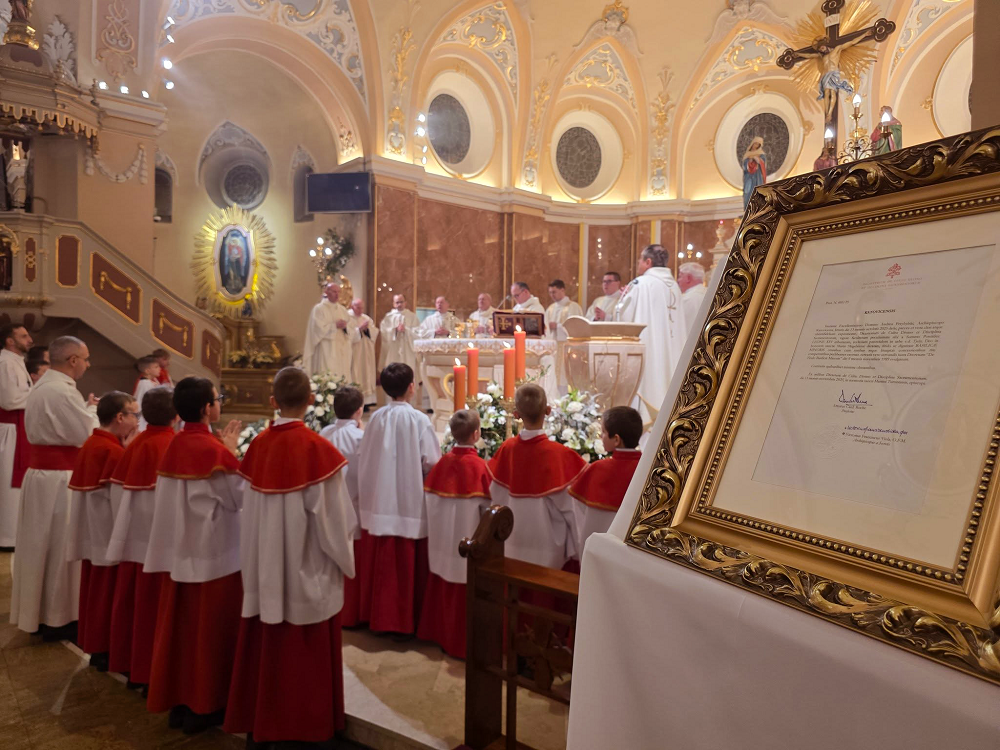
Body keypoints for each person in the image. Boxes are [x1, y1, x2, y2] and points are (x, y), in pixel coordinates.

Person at [225, 367, 357, 747]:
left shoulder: (258, 448)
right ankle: (308, 728)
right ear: (312, 400)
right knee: (306, 655)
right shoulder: (319, 452)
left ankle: (265, 724)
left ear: (272, 402)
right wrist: (346, 562)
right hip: (307, 574)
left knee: (267, 650)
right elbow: (335, 526)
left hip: (264, 568)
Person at [144, 377, 243, 734]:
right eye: (217, 399)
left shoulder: (175, 444)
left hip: (179, 556)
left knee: (183, 635)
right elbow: (239, 499)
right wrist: (231, 450)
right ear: (207, 409)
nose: (219, 403)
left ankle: (182, 703)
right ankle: (206, 704)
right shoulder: (214, 451)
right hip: (214, 558)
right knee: (209, 636)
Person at [11, 336, 98, 639]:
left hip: (42, 477)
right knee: (61, 545)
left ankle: (41, 612)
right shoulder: (61, 391)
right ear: (72, 360)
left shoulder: (45, 386)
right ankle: (59, 617)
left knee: (40, 546)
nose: (87, 364)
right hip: (60, 479)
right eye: (85, 358)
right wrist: (99, 417)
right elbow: (84, 434)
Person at [356, 363, 441, 634]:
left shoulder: (376, 418)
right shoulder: (419, 420)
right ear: (411, 388)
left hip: (380, 499)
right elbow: (431, 462)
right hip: (408, 499)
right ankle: (403, 621)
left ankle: (375, 617)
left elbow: (365, 455)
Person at [106, 386, 178, 687]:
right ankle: (158, 673)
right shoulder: (174, 446)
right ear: (176, 416)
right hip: (165, 551)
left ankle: (133, 667)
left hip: (134, 545)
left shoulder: (133, 446)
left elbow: (118, 494)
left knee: (136, 609)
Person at [66, 391, 138, 671]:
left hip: (93, 536)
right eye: (134, 415)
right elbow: (122, 505)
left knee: (95, 594)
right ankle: (107, 649)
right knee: (109, 597)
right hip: (109, 538)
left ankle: (96, 646)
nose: (137, 421)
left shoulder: (93, 442)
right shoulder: (112, 451)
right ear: (120, 417)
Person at [487, 384, 585, 568]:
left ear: (516, 414)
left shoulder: (507, 450)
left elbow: (496, 501)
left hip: (512, 545)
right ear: (547, 411)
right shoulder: (560, 455)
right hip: (549, 551)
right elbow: (572, 512)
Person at [418, 409, 490, 658]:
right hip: (467, 544)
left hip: (441, 543)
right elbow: (490, 511)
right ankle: (462, 643)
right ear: (476, 434)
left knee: (443, 584)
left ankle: (438, 634)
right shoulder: (480, 467)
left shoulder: (440, 466)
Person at [615, 245, 687, 420]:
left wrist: (622, 298)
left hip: (650, 354)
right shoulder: (675, 287)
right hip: (672, 354)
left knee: (649, 386)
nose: (638, 263)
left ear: (648, 262)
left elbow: (624, 318)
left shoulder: (641, 283)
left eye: (640, 259)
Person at [319, 386, 368, 628]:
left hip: (326, 509)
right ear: (359, 411)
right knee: (352, 560)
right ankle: (351, 615)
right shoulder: (361, 437)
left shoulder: (324, 434)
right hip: (354, 505)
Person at [567, 406, 642, 556]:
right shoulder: (647, 469)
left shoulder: (598, 468)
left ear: (616, 440)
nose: (601, 436)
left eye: (604, 432)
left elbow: (579, 514)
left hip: (596, 551)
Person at [0, 323, 32, 549]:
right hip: (9, 430)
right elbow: (9, 400)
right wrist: (38, 395)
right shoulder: (5, 363)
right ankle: (6, 537)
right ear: (10, 341)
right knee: (7, 483)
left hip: (18, 427)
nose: (29, 339)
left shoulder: (16, 362)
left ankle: (13, 535)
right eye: (23, 336)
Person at [302, 282, 359, 381]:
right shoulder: (319, 309)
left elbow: (350, 330)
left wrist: (345, 327)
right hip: (326, 349)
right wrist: (334, 326)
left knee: (341, 377)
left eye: (338, 292)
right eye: (334, 292)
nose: (337, 294)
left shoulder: (342, 310)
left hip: (341, 350)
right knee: (327, 375)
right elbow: (317, 330)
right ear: (327, 292)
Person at [545, 279, 584, 392]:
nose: (552, 295)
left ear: (562, 290)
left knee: (566, 377)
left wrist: (557, 326)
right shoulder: (550, 308)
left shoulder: (573, 307)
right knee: (554, 377)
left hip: (568, 347)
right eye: (550, 292)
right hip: (554, 347)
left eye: (554, 292)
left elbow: (577, 327)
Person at [378, 294, 421, 373]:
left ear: (405, 303)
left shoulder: (412, 316)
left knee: (407, 369)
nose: (399, 304)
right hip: (393, 348)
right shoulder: (388, 317)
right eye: (397, 302)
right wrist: (395, 330)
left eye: (401, 302)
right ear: (394, 304)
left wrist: (406, 330)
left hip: (407, 349)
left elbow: (418, 332)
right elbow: (384, 331)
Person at [349, 299, 379, 408]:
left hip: (366, 352)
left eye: (362, 307)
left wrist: (367, 330)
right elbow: (347, 335)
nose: (360, 310)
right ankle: (355, 401)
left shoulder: (367, 319)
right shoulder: (348, 318)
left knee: (366, 373)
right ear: (352, 307)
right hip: (355, 353)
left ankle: (366, 402)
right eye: (358, 307)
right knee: (356, 373)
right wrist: (359, 329)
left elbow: (374, 333)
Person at [677, 262, 708, 340]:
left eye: (680, 276)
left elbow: (682, 328)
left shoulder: (686, 299)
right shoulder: (710, 295)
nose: (678, 280)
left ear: (688, 278)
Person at [132, 355, 161, 432]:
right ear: (147, 371)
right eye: (156, 367)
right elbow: (140, 402)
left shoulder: (152, 382)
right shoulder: (144, 384)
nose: (159, 369)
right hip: (143, 421)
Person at [741, 136, 767, 208]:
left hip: (757, 176)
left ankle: (757, 206)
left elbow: (763, 164)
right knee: (748, 191)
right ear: (752, 143)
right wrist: (749, 161)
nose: (756, 146)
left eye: (758, 145)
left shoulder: (761, 154)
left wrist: (757, 159)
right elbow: (744, 166)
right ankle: (748, 208)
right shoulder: (747, 154)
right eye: (755, 144)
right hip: (748, 177)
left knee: (757, 190)